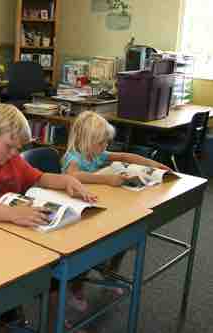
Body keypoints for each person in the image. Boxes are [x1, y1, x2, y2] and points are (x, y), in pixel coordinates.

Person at [0, 103, 96, 332]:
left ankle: (48, 323)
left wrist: (66, 181)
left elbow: (38, 178)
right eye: (9, 146)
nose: (14, 153)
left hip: (4, 238)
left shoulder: (8, 158)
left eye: (17, 148)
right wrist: (14, 214)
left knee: (54, 265)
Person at [62, 111, 170, 312]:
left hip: (97, 204)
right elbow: (73, 176)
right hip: (77, 214)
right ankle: (76, 289)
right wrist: (107, 179)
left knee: (124, 235)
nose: (105, 148)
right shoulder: (74, 158)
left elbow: (124, 156)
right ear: (87, 141)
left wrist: (154, 165)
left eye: (106, 143)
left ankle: (109, 271)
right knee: (84, 253)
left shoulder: (96, 152)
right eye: (101, 143)